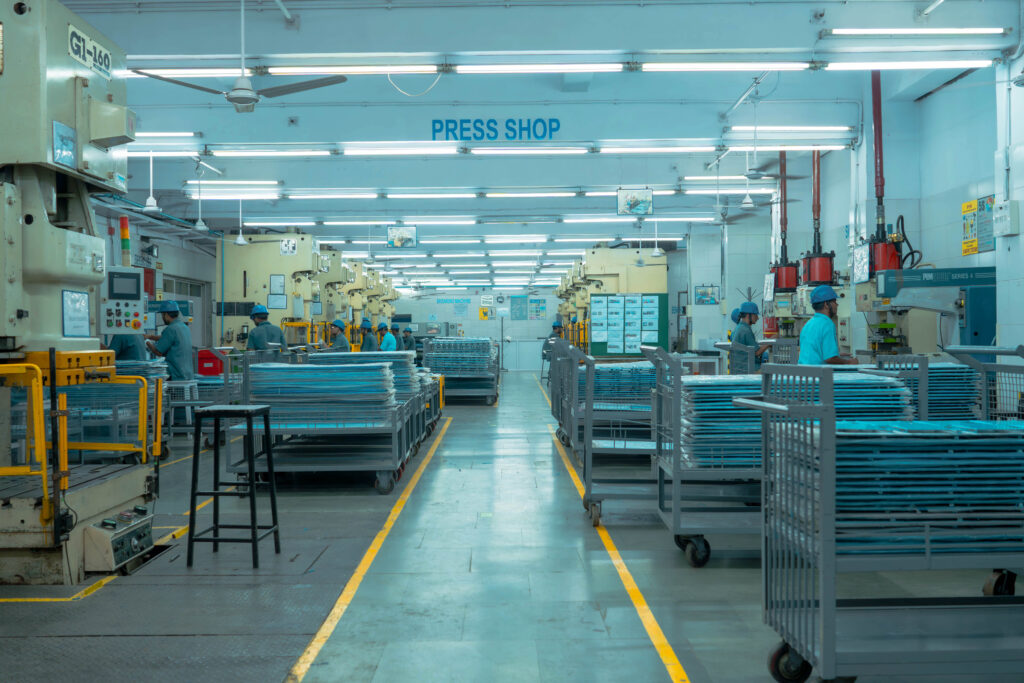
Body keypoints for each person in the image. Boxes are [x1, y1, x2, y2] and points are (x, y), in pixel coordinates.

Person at [798, 285, 858, 365]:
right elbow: (829, 359)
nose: (837, 305)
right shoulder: (827, 324)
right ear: (826, 304)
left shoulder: (808, 324)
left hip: (804, 374)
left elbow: (813, 352)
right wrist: (849, 362)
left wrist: (837, 355)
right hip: (818, 375)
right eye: (835, 302)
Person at [145, 301, 194, 380]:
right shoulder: (184, 327)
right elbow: (166, 338)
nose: (162, 318)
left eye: (162, 315)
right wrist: (151, 336)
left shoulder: (170, 329)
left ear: (166, 315)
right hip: (188, 375)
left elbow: (158, 352)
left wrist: (146, 341)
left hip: (176, 375)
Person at [733, 302, 772, 370]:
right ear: (749, 315)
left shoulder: (739, 327)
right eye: (755, 315)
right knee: (773, 373)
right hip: (748, 368)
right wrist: (771, 340)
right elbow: (757, 352)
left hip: (740, 367)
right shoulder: (745, 330)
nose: (757, 318)